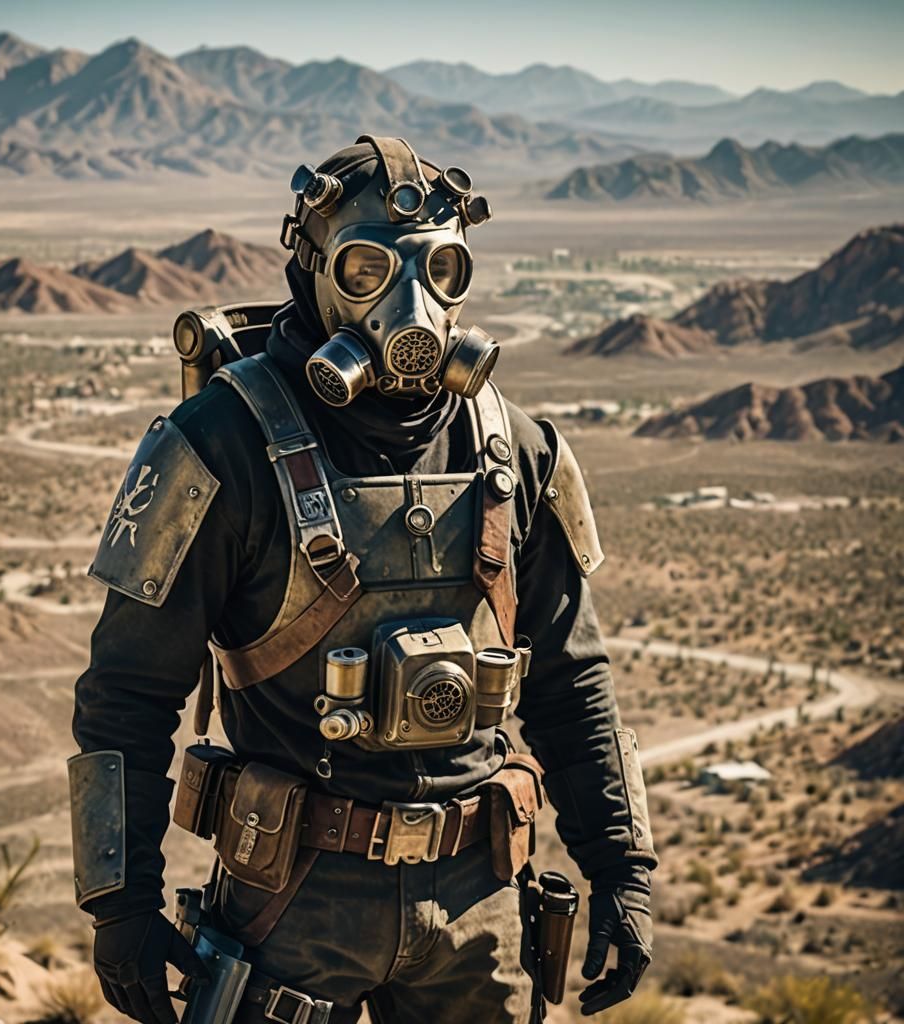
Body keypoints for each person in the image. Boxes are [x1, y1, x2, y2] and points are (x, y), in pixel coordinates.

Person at [69, 135, 656, 1024]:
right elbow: (127, 690)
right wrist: (119, 904)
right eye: (368, 268)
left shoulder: (519, 451)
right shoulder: (220, 443)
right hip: (290, 902)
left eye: (441, 269)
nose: (411, 302)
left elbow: (574, 679)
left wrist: (623, 869)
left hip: (480, 901)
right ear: (314, 271)